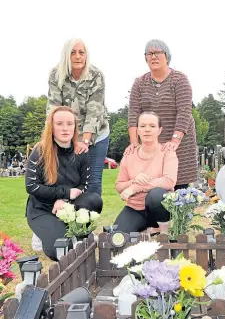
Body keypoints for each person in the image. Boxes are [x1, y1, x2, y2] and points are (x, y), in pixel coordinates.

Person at [25, 106, 103, 261]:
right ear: (51, 127)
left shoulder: (81, 151)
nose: (65, 128)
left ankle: (78, 231)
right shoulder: (40, 150)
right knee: (61, 249)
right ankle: (44, 232)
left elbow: (84, 185)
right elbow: (32, 186)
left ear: (75, 127)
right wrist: (64, 193)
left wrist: (65, 201)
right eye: (59, 123)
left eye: (69, 124)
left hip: (69, 205)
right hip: (43, 208)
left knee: (93, 199)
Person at [125, 39, 197, 190]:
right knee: (153, 186)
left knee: (178, 187)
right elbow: (133, 114)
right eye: (149, 53)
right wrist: (134, 142)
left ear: (167, 56)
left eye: (158, 53)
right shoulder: (139, 83)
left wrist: (174, 141)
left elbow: (184, 111)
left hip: (179, 141)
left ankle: (180, 213)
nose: (153, 57)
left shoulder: (179, 79)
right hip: (151, 143)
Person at [46, 38, 110, 196]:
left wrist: (85, 140)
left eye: (81, 52)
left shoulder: (96, 75)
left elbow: (95, 109)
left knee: (92, 182)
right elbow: (53, 109)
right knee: (67, 180)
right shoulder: (56, 75)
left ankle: (89, 218)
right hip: (66, 136)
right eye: (73, 52)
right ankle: (68, 218)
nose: (77, 56)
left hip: (96, 136)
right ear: (66, 55)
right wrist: (65, 139)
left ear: (86, 55)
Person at [114, 112, 178, 234]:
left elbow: (169, 181)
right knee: (117, 237)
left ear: (160, 130)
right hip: (135, 208)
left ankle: (163, 230)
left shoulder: (167, 152)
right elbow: (119, 186)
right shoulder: (129, 155)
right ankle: (147, 230)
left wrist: (135, 188)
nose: (147, 130)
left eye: (152, 126)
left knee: (156, 194)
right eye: (142, 126)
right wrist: (133, 181)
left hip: (160, 208)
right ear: (137, 130)